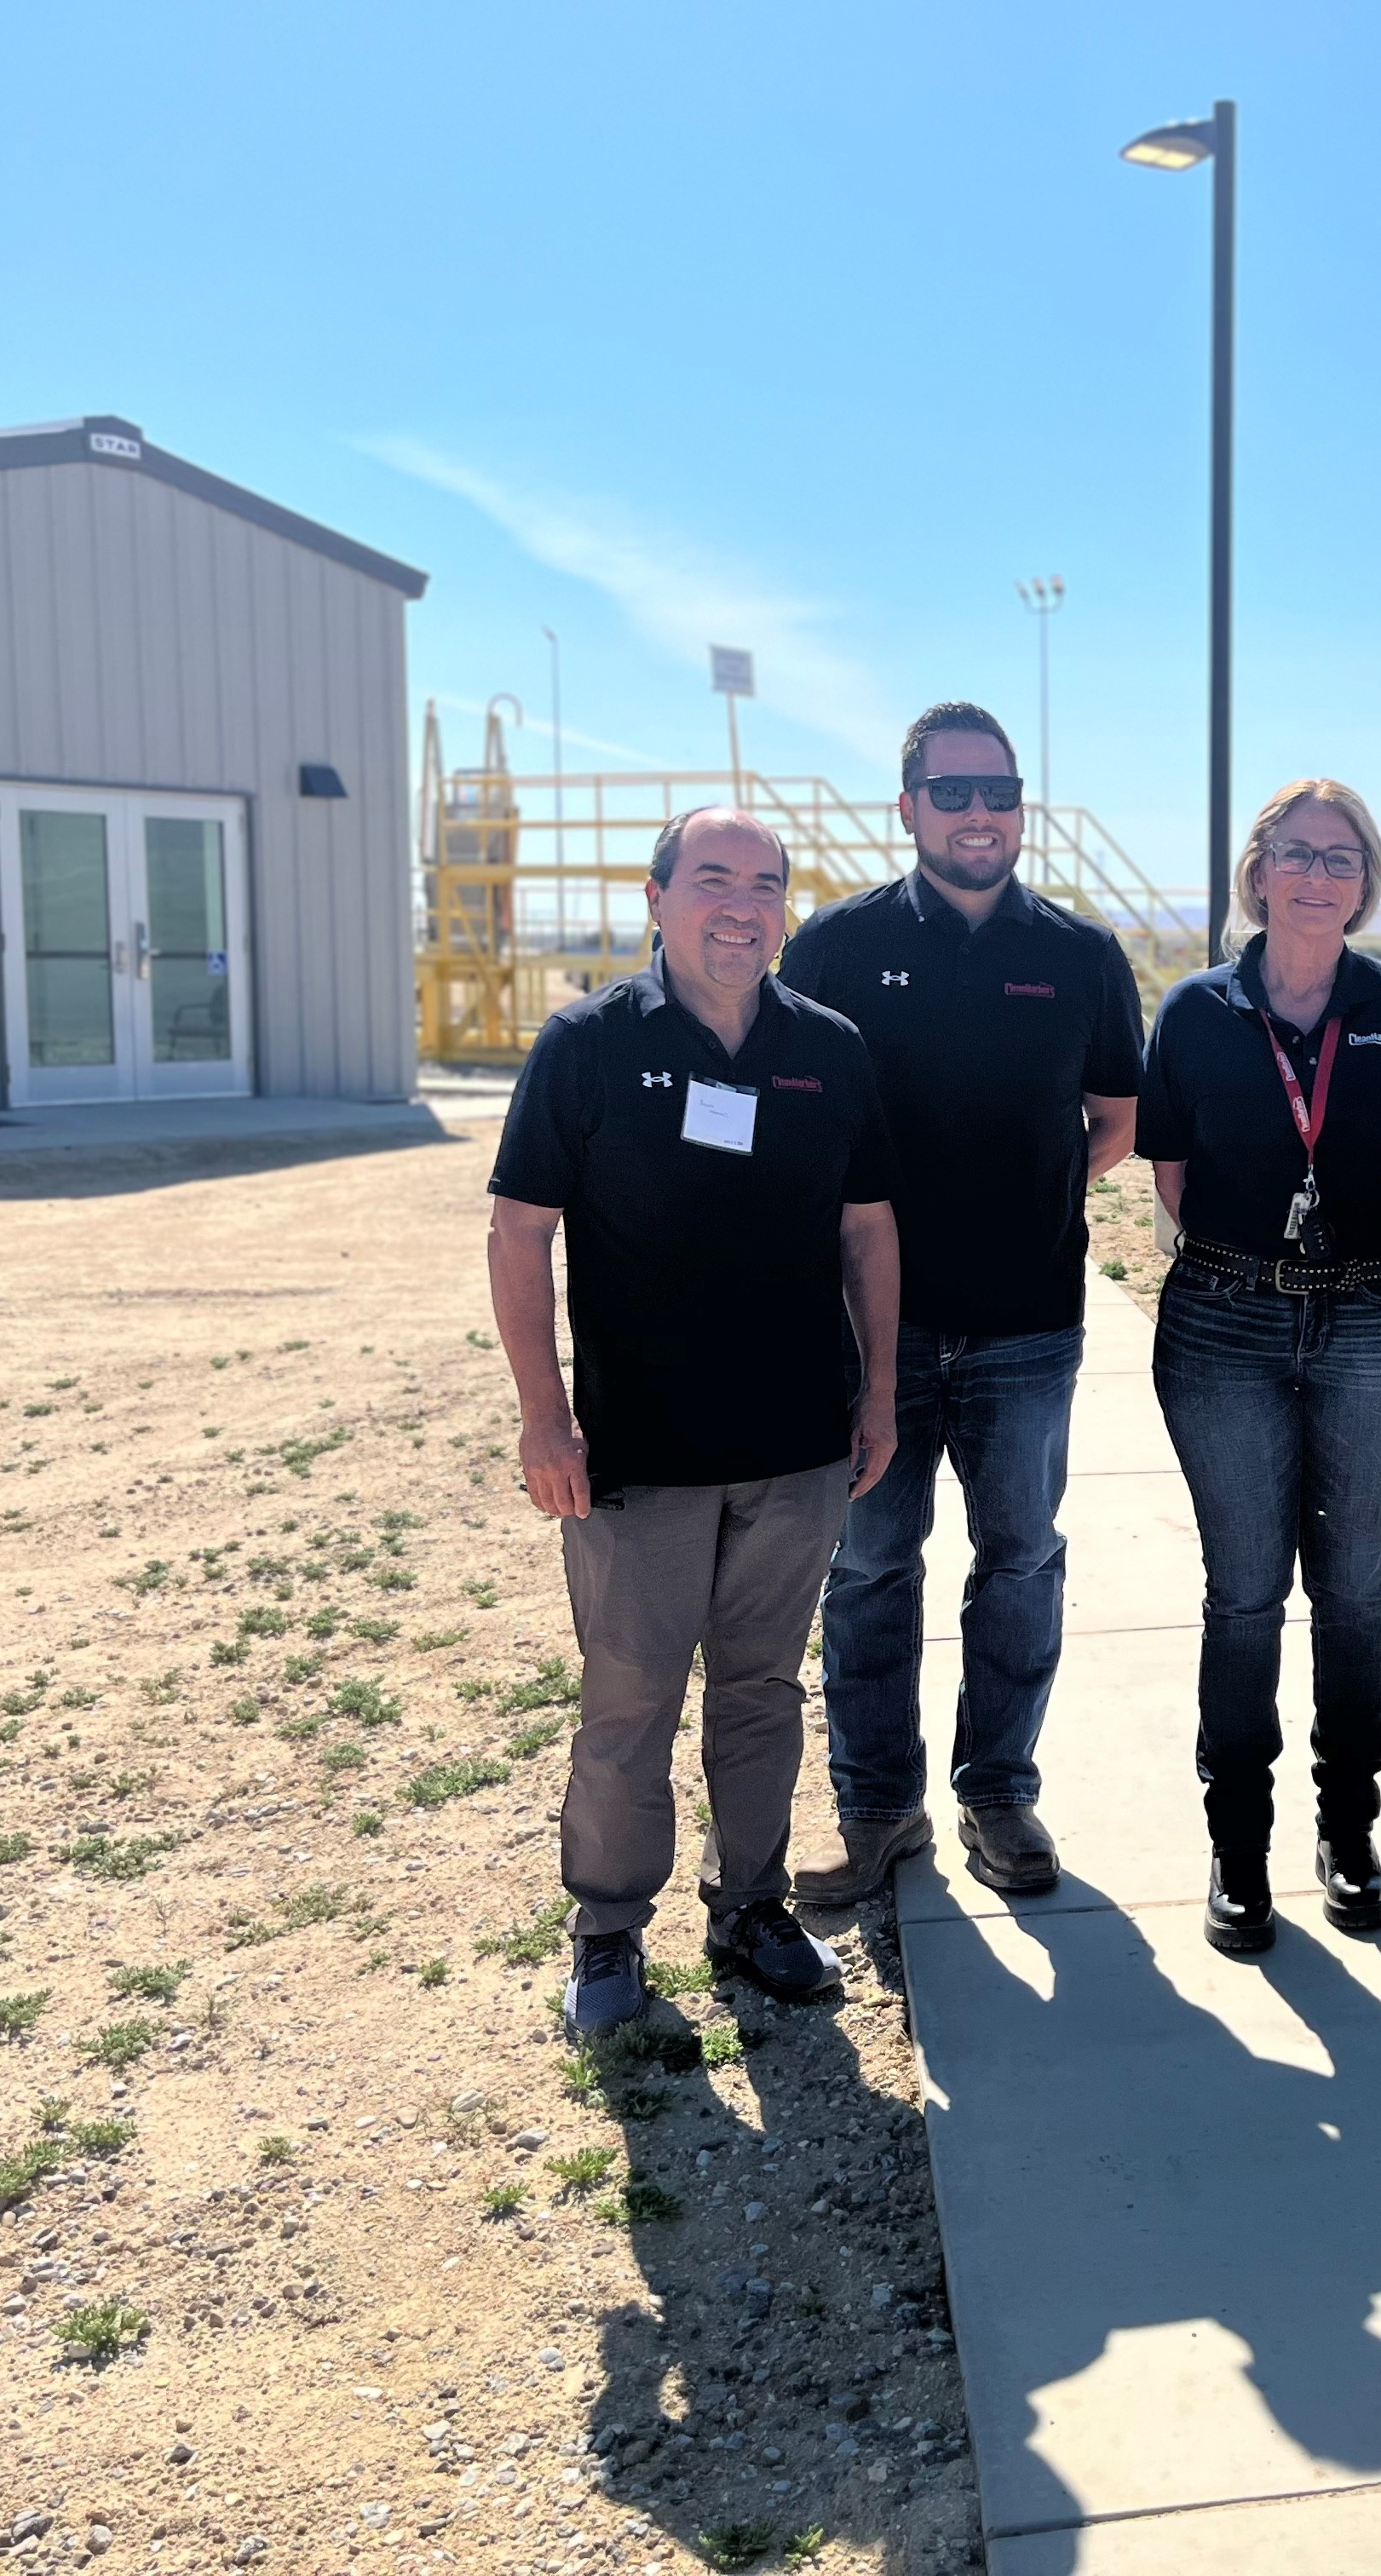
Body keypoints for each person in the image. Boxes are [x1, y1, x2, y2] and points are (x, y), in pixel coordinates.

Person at [484, 807, 903, 2036]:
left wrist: (875, 1393)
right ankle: (609, 1931)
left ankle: (752, 1907)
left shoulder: (828, 1050)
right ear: (657, 896)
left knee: (764, 1691)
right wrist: (544, 1420)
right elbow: (519, 1229)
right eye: (714, 879)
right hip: (637, 1452)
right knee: (630, 1699)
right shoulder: (590, 1046)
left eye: (766, 885)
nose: (743, 905)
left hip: (795, 1447)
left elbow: (868, 1228)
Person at [780, 703, 1145, 1904]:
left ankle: (1000, 1797)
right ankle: (878, 1811)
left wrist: (1023, 1191)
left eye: (999, 791)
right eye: (953, 793)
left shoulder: (1084, 956)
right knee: (873, 1569)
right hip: (863, 1333)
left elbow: (1115, 1125)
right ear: (907, 808)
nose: (979, 814)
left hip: (1027, 1326)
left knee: (1021, 1558)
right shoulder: (834, 948)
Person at [1138, 780, 1381, 1954]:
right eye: (1299, 854)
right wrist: (1246, 1260)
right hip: (1226, 1324)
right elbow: (1170, 1169)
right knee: (1245, 1595)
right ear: (1258, 871)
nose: (1321, 876)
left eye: (1345, 858)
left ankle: (1349, 1828)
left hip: (1373, 1322)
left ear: (1365, 881)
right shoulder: (1196, 1009)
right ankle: (1238, 1844)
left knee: (1355, 1593)